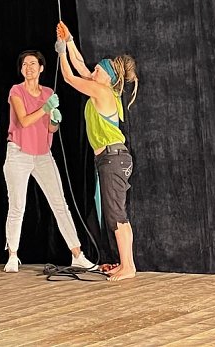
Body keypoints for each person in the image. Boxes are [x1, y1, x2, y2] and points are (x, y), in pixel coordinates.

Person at [3, 50, 100, 274]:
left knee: (60, 204)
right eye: (25, 64)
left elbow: (50, 129)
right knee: (17, 206)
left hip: (43, 154)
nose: (29, 67)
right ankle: (13, 256)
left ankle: (78, 255)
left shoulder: (48, 92)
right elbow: (25, 121)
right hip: (18, 153)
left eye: (33, 64)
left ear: (42, 68)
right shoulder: (16, 91)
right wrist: (45, 109)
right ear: (21, 69)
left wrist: (55, 120)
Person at [55, 21, 139, 281]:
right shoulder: (102, 89)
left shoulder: (101, 91)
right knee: (111, 214)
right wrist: (68, 41)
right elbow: (79, 65)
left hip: (113, 158)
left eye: (97, 70)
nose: (92, 71)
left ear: (107, 77)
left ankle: (129, 266)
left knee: (116, 214)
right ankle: (122, 262)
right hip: (108, 159)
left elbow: (70, 76)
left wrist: (59, 53)